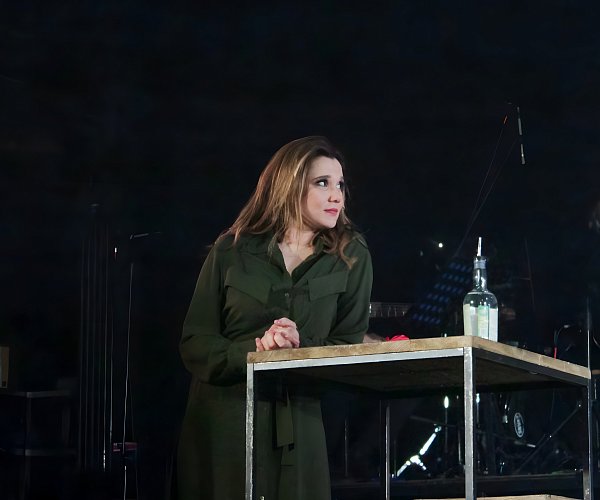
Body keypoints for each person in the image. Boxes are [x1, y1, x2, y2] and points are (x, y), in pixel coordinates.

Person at [176, 136, 373, 499]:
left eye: (340, 185)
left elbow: (347, 346)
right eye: (322, 183)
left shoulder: (351, 255)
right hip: (225, 424)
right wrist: (255, 351)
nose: (337, 196)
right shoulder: (232, 249)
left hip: (300, 423)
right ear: (289, 185)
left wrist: (299, 348)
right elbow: (195, 342)